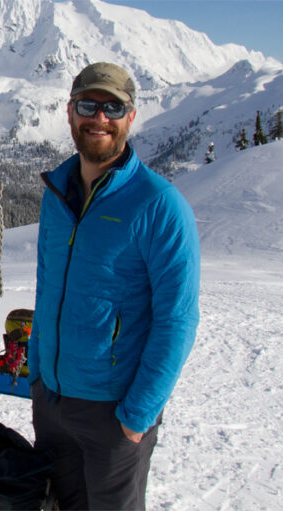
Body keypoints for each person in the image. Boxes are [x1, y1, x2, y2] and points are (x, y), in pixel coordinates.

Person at [29, 62, 201, 510]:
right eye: (88, 105)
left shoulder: (159, 204)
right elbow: (47, 286)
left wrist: (138, 414)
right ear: (70, 112)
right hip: (52, 400)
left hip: (114, 409)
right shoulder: (57, 192)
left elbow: (177, 318)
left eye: (113, 107)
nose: (99, 118)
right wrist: (37, 373)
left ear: (131, 116)